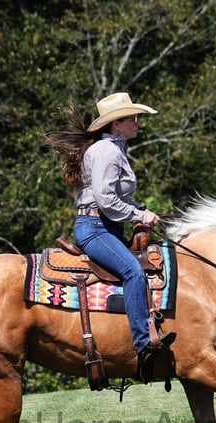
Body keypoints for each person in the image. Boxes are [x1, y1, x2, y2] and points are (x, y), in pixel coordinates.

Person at [47, 92, 175, 382]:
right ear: (116, 123)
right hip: (95, 228)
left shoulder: (114, 149)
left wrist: (140, 211)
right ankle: (144, 344)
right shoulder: (107, 151)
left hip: (106, 227)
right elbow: (106, 200)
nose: (137, 123)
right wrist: (139, 215)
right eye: (133, 118)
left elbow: (116, 198)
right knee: (133, 272)